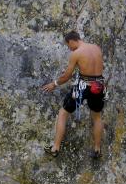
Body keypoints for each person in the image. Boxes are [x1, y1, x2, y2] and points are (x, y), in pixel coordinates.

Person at [42, 31, 106, 159]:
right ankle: (97, 150)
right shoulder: (96, 48)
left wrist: (54, 84)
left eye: (68, 45)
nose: (69, 48)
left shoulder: (76, 54)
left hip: (83, 87)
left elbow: (67, 76)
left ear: (72, 40)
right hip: (98, 86)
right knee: (97, 117)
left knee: (63, 113)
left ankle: (55, 148)